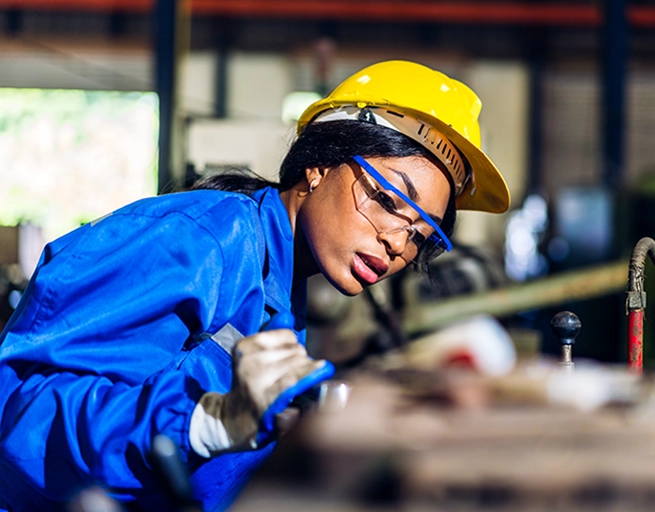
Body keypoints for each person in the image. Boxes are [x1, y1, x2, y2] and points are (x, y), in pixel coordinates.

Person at [0, 60, 510, 511]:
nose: (398, 243)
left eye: (421, 237)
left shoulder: (281, 277)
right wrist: (202, 423)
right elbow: (23, 412)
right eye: (391, 200)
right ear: (319, 164)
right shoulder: (196, 244)